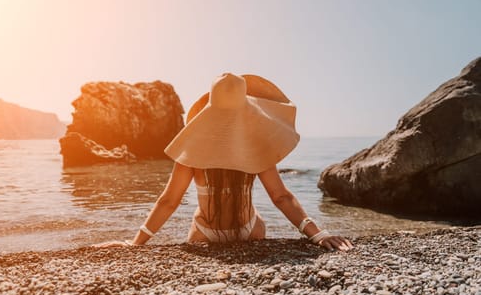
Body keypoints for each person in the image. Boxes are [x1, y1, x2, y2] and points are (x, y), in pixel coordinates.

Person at [97, 73, 353, 251]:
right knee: (257, 215)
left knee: (196, 216)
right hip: (249, 229)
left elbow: (169, 201)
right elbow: (281, 197)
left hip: (204, 232)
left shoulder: (193, 147)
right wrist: (317, 234)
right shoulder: (256, 144)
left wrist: (136, 242)